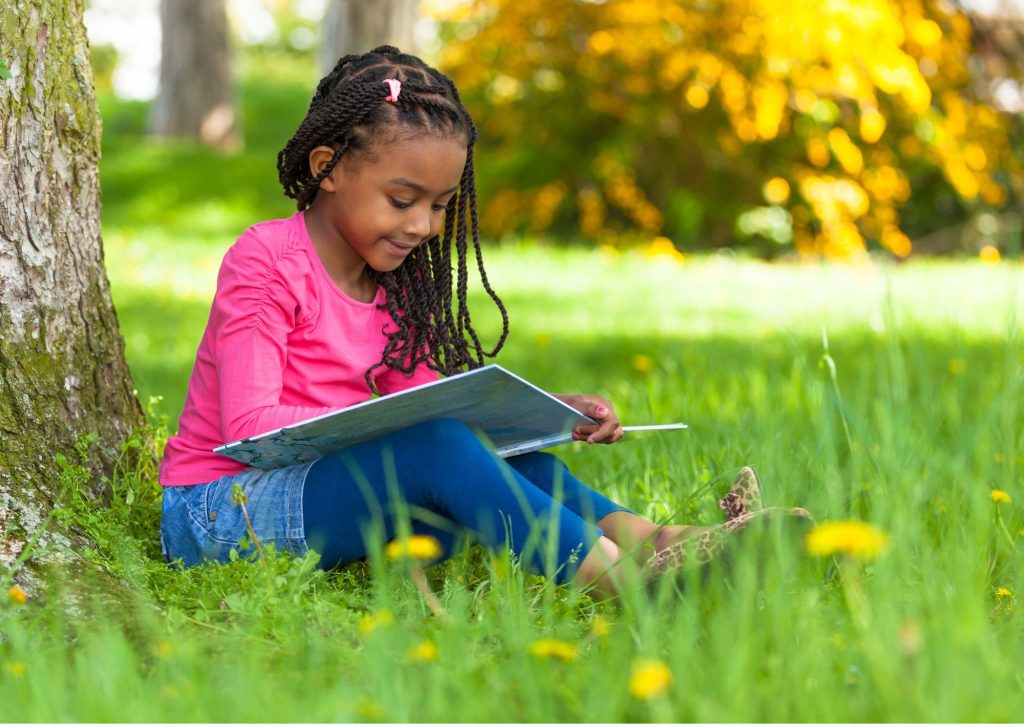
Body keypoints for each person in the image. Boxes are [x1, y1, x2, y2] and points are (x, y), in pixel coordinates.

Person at [158, 46, 808, 598]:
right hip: (221, 509)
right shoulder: (267, 261)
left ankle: (662, 540)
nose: (423, 226)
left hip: (334, 495)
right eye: (402, 200)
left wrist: (548, 411)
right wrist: (408, 432)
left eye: (441, 205)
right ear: (326, 167)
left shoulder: (397, 283)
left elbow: (429, 407)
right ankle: (626, 583)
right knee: (437, 446)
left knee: (502, 457)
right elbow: (249, 426)